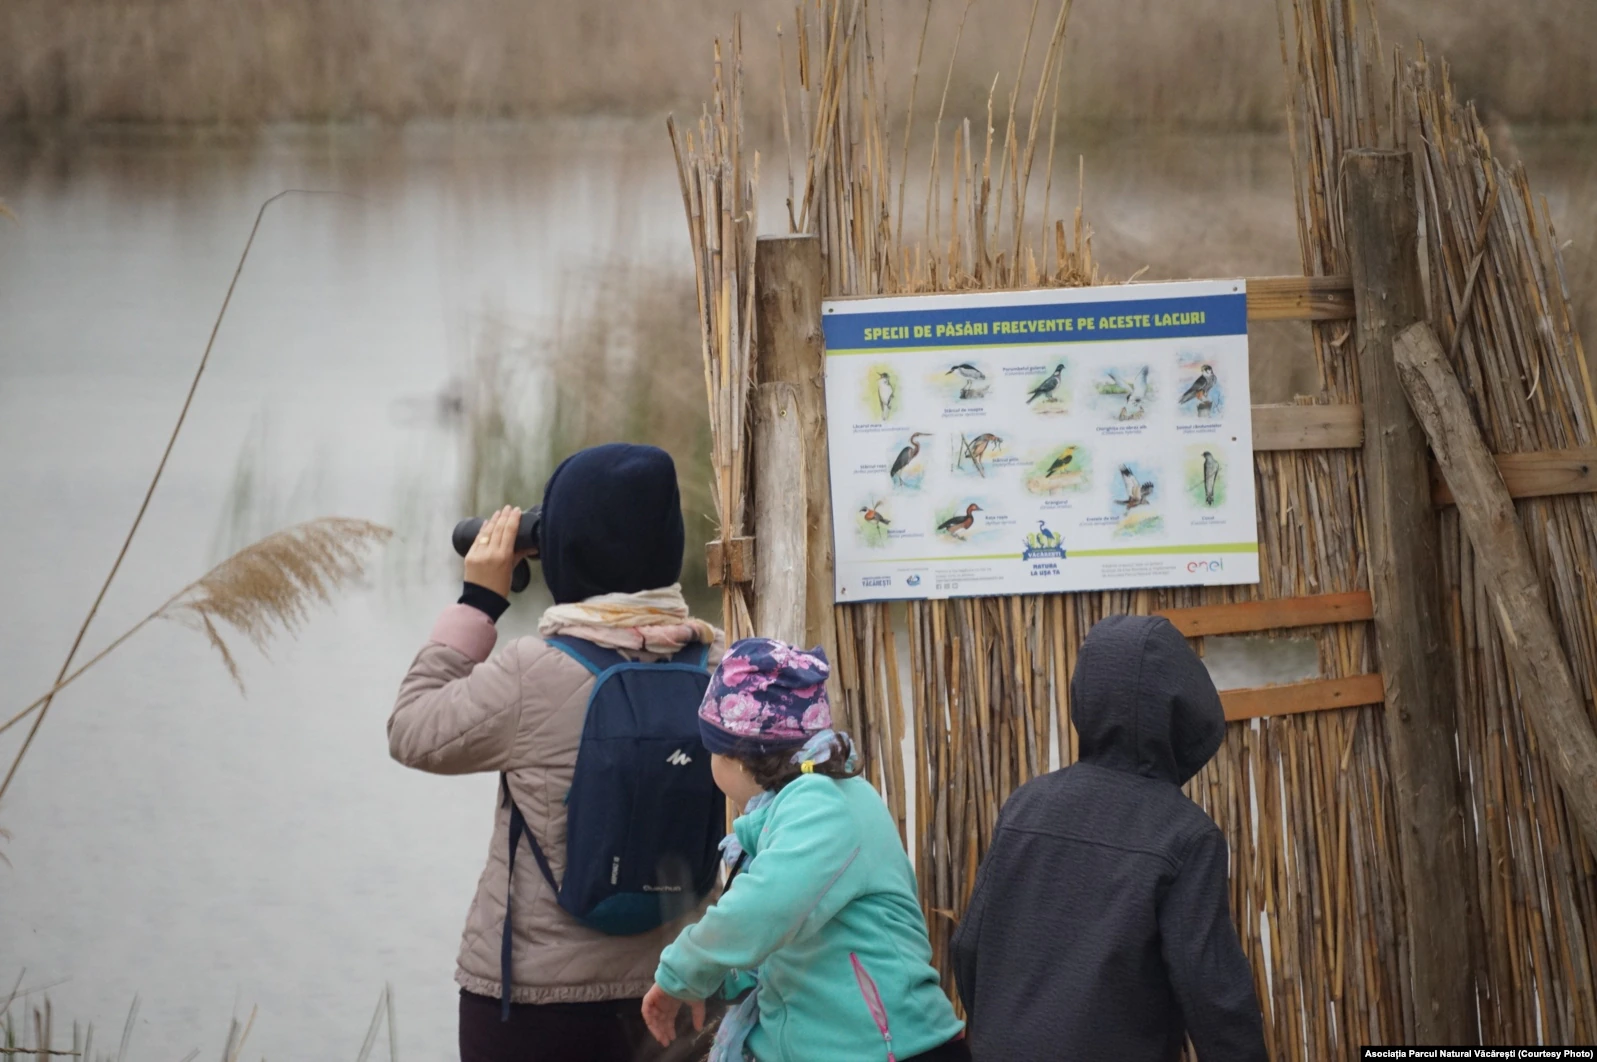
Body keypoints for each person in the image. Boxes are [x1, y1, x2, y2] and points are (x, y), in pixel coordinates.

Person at [389, 443, 724, 1062]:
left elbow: (412, 730)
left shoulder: (531, 673)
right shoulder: (724, 672)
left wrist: (479, 603)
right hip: (675, 994)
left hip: (533, 1005)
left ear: (566, 553)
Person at [950, 614, 1268, 1062]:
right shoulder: (1186, 836)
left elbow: (968, 947)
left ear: (1086, 697)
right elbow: (1213, 994)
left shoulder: (1026, 805)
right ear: (1184, 710)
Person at [640, 637, 969, 1062]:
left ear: (739, 756)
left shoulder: (822, 805)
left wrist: (679, 975)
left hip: (891, 1050)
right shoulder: (796, 810)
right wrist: (720, 976)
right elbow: (782, 936)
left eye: (712, 750)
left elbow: (761, 911)